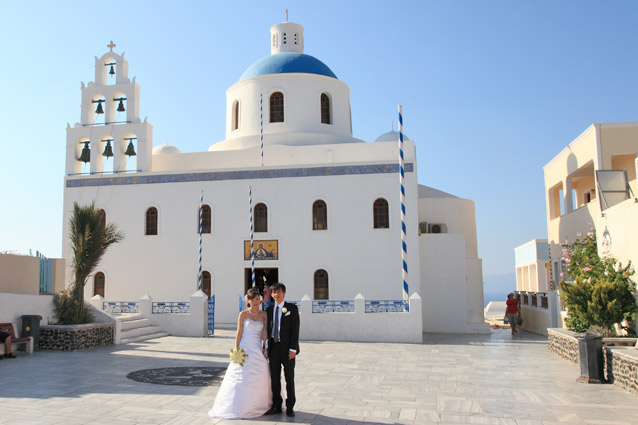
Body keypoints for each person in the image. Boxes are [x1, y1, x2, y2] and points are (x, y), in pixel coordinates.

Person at [209, 289, 272, 418]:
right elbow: (239, 332)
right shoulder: (243, 314)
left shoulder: (264, 315)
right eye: (252, 300)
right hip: (245, 346)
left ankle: (258, 403)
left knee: (261, 371)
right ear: (248, 301)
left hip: (256, 347)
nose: (255, 302)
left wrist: (265, 348)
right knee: (239, 375)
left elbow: (264, 332)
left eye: (257, 299)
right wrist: (236, 349)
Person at [265, 282, 300, 417]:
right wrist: (267, 347)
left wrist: (293, 349)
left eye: (278, 292)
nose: (276, 295)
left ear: (283, 293)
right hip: (274, 348)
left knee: (289, 378)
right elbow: (268, 330)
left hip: (287, 349)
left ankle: (290, 405)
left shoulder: (291, 308)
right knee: (274, 378)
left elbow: (295, 330)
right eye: (274, 292)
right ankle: (276, 405)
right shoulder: (269, 310)